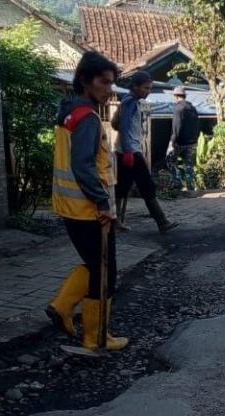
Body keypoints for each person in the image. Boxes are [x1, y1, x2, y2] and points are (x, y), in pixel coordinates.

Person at [45, 51, 129, 352]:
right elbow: (83, 166)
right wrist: (103, 204)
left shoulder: (68, 113)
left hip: (70, 206)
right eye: (103, 82)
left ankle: (62, 307)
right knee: (105, 270)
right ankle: (95, 336)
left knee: (94, 265)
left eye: (111, 83)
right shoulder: (88, 120)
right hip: (88, 209)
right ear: (85, 80)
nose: (109, 89)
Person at [113, 71, 176, 233]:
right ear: (135, 86)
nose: (148, 91)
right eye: (145, 88)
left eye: (150, 88)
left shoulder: (130, 101)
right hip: (130, 152)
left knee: (122, 187)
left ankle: (116, 221)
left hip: (125, 150)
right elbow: (123, 127)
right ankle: (162, 221)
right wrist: (128, 151)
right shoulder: (130, 103)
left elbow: (119, 125)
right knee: (146, 185)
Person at [166, 85, 200, 198]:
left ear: (176, 96)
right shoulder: (192, 108)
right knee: (189, 165)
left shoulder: (178, 109)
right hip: (192, 142)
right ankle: (190, 188)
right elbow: (197, 125)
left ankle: (178, 184)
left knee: (170, 160)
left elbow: (177, 126)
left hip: (180, 142)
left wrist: (173, 141)